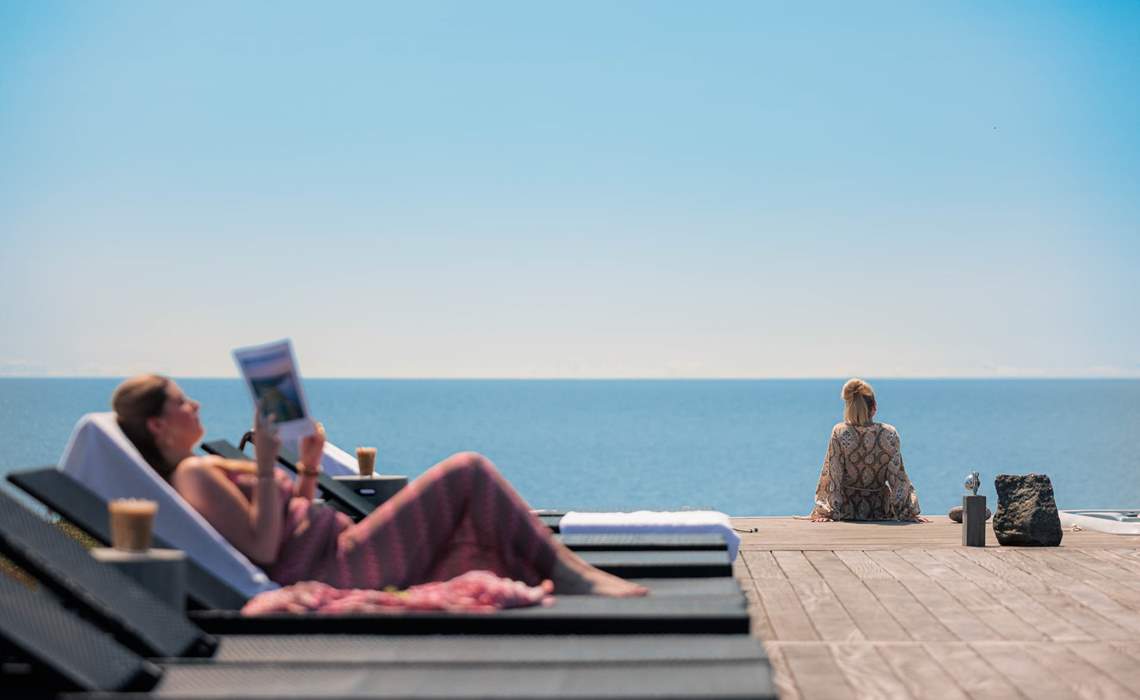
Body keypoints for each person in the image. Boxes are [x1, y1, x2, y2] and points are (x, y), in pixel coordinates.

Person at [111, 374, 647, 596]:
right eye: (181, 402)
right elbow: (266, 549)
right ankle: (573, 575)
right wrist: (269, 460)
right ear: (157, 425)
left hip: (333, 550)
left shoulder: (201, 471)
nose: (195, 405)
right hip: (336, 567)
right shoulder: (192, 474)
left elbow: (289, 525)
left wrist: (309, 467)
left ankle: (565, 572)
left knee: (467, 498)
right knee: (467, 471)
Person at [810, 378, 925, 522]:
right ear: (874, 407)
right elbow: (897, 478)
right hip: (879, 511)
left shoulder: (840, 432)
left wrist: (827, 512)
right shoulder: (889, 434)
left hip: (846, 511)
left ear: (849, 406)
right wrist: (908, 512)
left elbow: (834, 475)